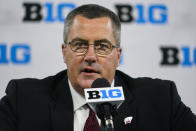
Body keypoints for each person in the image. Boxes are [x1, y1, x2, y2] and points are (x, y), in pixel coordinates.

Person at [0, 4, 196, 131]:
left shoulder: (160, 100)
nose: (90, 56)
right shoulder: (23, 100)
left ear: (117, 56)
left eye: (102, 46)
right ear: (64, 52)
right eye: (79, 45)